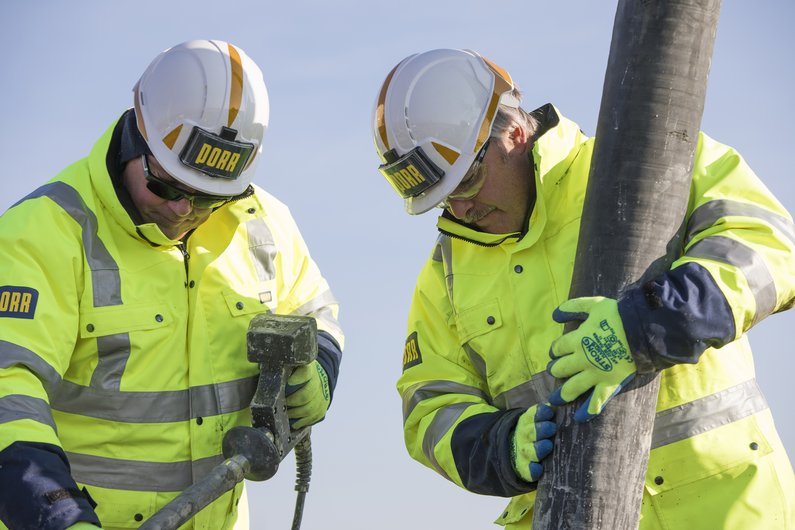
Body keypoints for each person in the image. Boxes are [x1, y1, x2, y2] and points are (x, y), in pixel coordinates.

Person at [371, 48, 795, 528]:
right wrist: (502, 444)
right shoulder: (444, 273)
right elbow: (429, 405)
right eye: (442, 200)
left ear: (512, 131)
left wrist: (644, 327)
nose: (460, 210)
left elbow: (769, 247)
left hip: (725, 507)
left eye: (466, 182)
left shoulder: (646, 163)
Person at [0, 40, 343, 530]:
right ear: (135, 138)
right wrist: (57, 515)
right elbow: (7, 390)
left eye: (207, 199)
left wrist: (321, 371)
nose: (185, 211)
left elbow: (318, 311)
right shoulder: (42, 234)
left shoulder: (262, 222)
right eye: (167, 187)